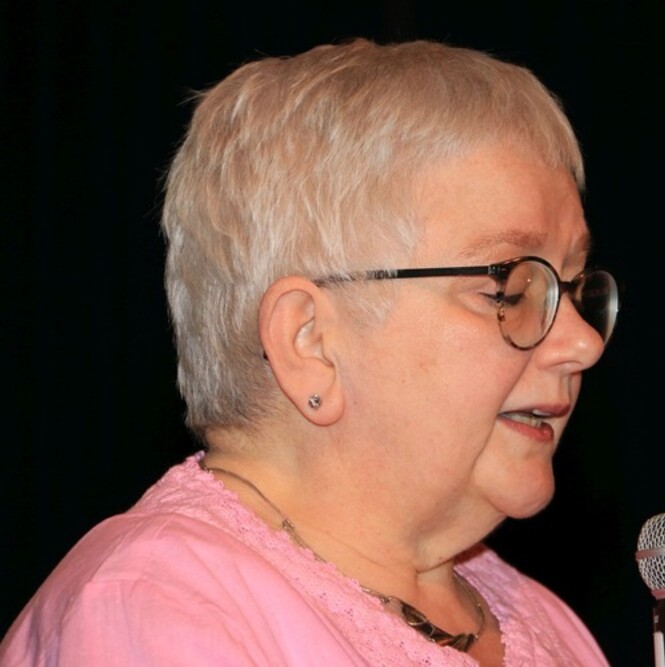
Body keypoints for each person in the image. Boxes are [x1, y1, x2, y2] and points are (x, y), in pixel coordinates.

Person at [1, 38, 618, 666]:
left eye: (573, 287)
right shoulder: (155, 606)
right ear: (310, 342)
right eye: (510, 289)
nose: (583, 342)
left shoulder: (543, 624)